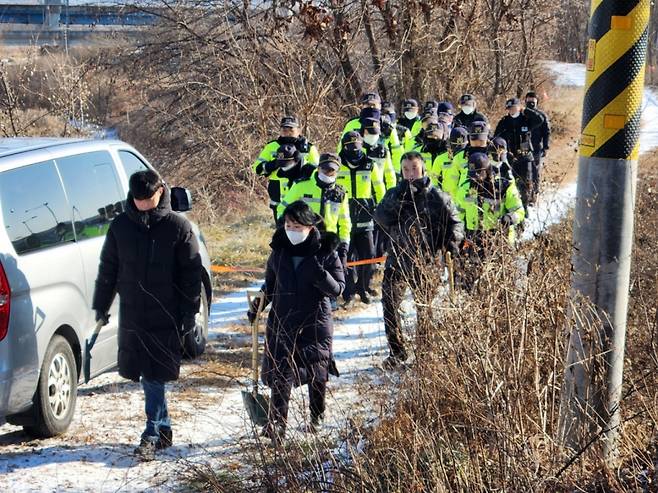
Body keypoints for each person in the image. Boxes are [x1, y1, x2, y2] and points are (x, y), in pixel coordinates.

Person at [92, 170, 202, 461]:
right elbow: (109, 268)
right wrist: (101, 305)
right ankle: (163, 427)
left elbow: (192, 274)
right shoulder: (120, 227)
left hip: (166, 312)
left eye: (148, 198)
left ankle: (151, 434)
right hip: (133, 312)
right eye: (138, 199)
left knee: (153, 374)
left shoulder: (179, 227)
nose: (143, 203)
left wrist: (190, 312)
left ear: (161, 192)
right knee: (146, 373)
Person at [250, 201, 345, 443]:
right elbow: (270, 285)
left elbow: (338, 289)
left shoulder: (326, 251)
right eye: (288, 224)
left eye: (297, 225)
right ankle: (277, 424)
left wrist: (320, 275)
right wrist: (259, 305)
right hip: (282, 320)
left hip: (315, 321)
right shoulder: (279, 250)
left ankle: (317, 414)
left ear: (311, 227)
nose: (292, 230)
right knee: (281, 372)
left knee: (317, 371)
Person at [375, 152, 464, 369]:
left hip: (426, 262)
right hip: (397, 260)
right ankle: (397, 352)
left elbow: (456, 223)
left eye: (414, 168)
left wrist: (452, 241)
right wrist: (401, 200)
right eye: (406, 169)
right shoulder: (394, 193)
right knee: (389, 305)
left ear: (422, 168)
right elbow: (380, 217)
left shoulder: (437, 197)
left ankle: (424, 354)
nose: (410, 173)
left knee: (425, 310)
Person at [337, 131, 386, 306]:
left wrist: (381, 211)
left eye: (357, 147)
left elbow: (380, 190)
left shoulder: (370, 164)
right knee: (346, 258)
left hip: (366, 219)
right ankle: (349, 293)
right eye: (350, 147)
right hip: (345, 219)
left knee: (370, 256)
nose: (354, 151)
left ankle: (363, 288)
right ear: (344, 147)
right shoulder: (337, 164)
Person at [277, 153, 351, 268]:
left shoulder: (341, 194)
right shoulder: (301, 186)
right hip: (304, 240)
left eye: (331, 170)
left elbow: (344, 222)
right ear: (318, 168)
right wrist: (287, 229)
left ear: (337, 172)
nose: (327, 173)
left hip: (328, 244)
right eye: (324, 169)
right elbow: (282, 208)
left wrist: (344, 247)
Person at [252, 116, 319, 220]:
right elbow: (257, 169)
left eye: (291, 129)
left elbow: (318, 170)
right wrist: (276, 163)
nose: (287, 132)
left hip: (302, 195)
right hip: (278, 195)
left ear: (298, 130)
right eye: (284, 129)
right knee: (281, 231)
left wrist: (305, 169)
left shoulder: (309, 148)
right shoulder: (272, 146)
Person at [494, 97, 545, 212]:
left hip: (525, 156)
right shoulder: (504, 122)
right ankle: (513, 207)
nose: (511, 110)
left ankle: (525, 206)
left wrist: (526, 110)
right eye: (509, 108)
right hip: (511, 157)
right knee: (512, 182)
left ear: (518, 107)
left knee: (526, 182)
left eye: (513, 108)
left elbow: (540, 119)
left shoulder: (526, 119)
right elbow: (496, 137)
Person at [442, 120, 490, 200]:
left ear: (487, 139)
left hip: (488, 202)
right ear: (469, 138)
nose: (477, 143)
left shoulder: (492, 156)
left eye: (481, 141)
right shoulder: (460, 157)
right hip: (464, 200)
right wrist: (454, 202)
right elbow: (452, 182)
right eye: (474, 140)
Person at [525, 91, 551, 200]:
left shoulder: (541, 116)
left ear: (537, 102)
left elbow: (547, 132)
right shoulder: (522, 114)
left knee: (535, 171)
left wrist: (545, 147)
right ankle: (524, 193)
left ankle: (534, 194)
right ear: (525, 101)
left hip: (536, 147)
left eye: (533, 102)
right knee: (524, 171)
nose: (531, 103)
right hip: (523, 147)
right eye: (529, 101)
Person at [411, 118, 451, 188]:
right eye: (430, 136)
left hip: (444, 194)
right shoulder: (418, 153)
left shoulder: (449, 155)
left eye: (436, 136)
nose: (433, 138)